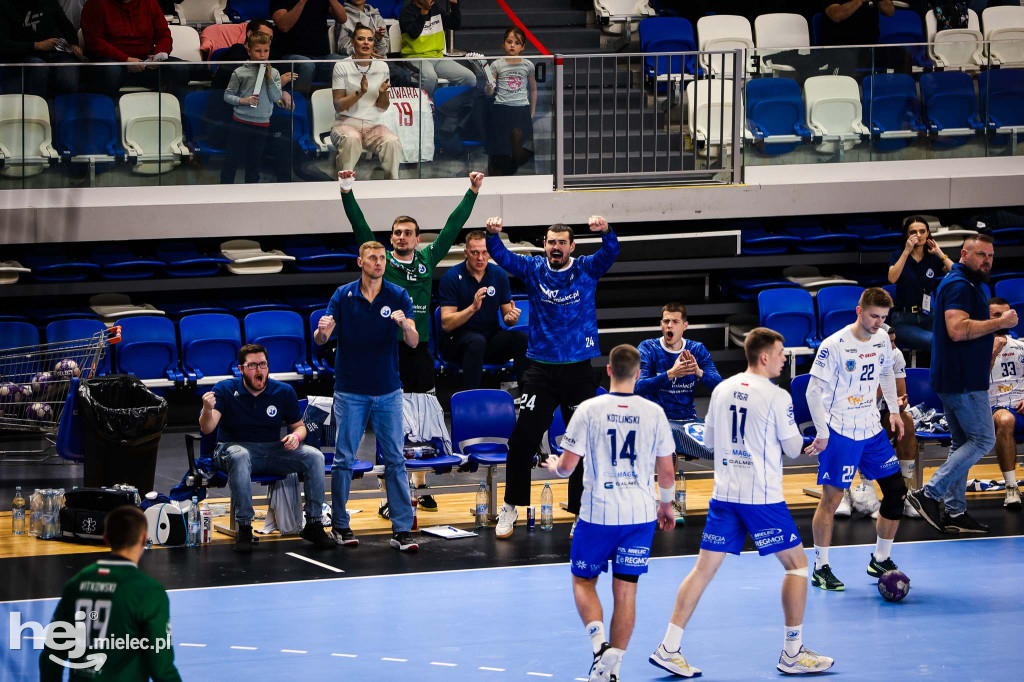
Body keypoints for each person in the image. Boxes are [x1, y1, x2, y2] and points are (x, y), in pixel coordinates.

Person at [649, 328, 834, 677]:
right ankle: (792, 653)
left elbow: (713, 443)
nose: (783, 358)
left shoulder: (720, 390)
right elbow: (794, 449)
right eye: (780, 353)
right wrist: (812, 442)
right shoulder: (777, 397)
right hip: (761, 497)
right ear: (764, 357)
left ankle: (669, 647)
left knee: (702, 570)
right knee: (796, 567)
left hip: (725, 495)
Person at [339, 169, 482, 512]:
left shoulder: (427, 259)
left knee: (423, 422)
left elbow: (452, 225)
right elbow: (359, 226)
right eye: (397, 233)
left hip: (420, 349)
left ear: (418, 239)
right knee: (391, 420)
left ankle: (419, 487)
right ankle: (390, 496)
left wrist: (473, 191)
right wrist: (346, 190)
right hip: (387, 351)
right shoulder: (382, 261)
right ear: (390, 239)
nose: (401, 237)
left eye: (408, 233)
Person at [540, 344, 677, 682]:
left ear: (610, 372)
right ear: (639, 373)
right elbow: (668, 473)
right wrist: (666, 505)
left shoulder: (589, 409)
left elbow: (568, 467)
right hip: (640, 514)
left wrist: (555, 465)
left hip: (598, 513)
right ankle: (611, 668)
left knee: (583, 581)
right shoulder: (654, 413)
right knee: (626, 591)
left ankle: (600, 646)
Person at [484, 214, 620, 539]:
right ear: (544, 245)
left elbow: (610, 253)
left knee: (582, 444)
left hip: (578, 368)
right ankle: (511, 506)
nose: (555, 247)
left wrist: (607, 232)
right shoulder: (533, 269)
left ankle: (581, 512)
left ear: (572, 246)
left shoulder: (586, 269)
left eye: (561, 242)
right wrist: (493, 235)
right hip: (540, 370)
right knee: (520, 442)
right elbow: (502, 257)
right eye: (550, 242)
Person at [315, 241, 421, 552]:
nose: (378, 262)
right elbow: (321, 337)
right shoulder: (343, 295)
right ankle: (340, 525)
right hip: (350, 390)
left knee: (395, 460)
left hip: (388, 390)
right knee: (344, 459)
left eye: (381, 258)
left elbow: (413, 341)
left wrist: (404, 324)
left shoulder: (398, 295)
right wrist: (323, 331)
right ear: (360, 262)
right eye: (372, 258)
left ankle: (402, 529)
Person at [908, 234, 1017, 533]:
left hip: (955, 376)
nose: (987, 261)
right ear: (965, 254)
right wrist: (1000, 322)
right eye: (981, 255)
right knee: (983, 440)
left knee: (962, 443)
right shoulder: (959, 285)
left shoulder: (963, 279)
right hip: (964, 380)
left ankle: (955, 512)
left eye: (991, 256)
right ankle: (928, 493)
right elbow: (957, 330)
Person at [804, 287, 907, 592]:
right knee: (832, 500)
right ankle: (821, 567)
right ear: (859, 311)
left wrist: (894, 411)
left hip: (871, 427)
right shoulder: (833, 345)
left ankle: (880, 558)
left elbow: (887, 374)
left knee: (896, 491)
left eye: (884, 317)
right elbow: (812, 391)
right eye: (874, 316)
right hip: (841, 430)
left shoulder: (881, 340)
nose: (878, 322)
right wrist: (823, 433)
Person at [201, 344, 333, 552]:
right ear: (241, 369)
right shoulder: (224, 389)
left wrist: (296, 437)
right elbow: (207, 428)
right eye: (252, 365)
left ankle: (314, 523)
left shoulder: (283, 391)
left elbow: (300, 427)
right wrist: (207, 410)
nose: (259, 370)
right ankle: (244, 527)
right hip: (233, 449)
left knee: (315, 457)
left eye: (263, 364)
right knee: (240, 455)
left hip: (272, 451)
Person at [39, 506, 182, 681]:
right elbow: (161, 667)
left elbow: (51, 656)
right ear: (144, 539)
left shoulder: (76, 584)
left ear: (106, 539)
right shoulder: (148, 591)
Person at [437, 229, 527, 389]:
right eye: (475, 253)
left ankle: (528, 396)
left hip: (489, 339)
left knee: (521, 339)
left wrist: (511, 318)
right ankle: (472, 400)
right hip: (456, 342)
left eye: (484, 252)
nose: (480, 258)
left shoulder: (498, 275)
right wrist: (472, 308)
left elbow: (508, 317)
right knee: (476, 342)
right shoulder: (452, 277)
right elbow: (446, 324)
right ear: (466, 253)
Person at [80, 0, 189, 100]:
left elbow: (164, 35)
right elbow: (94, 42)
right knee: (110, 71)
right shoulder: (95, 3)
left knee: (180, 67)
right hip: (112, 62)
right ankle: (110, 116)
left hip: (146, 63)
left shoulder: (150, 3)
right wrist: (125, 59)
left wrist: (157, 57)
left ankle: (175, 115)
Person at [330, 25, 401, 179]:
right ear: (352, 42)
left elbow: (382, 108)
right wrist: (360, 93)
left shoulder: (382, 66)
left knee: (392, 142)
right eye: (361, 39)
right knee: (351, 139)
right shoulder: (341, 66)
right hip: (345, 123)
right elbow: (338, 105)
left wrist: (382, 94)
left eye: (369, 39)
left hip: (373, 125)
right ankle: (344, 187)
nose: (366, 43)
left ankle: (393, 188)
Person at [220, 31, 283, 184]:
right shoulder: (240, 72)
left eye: (266, 51)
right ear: (249, 50)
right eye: (258, 51)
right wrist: (244, 101)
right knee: (231, 161)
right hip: (240, 123)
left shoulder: (274, 73)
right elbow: (227, 96)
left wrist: (269, 78)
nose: (262, 55)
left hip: (262, 125)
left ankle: (252, 197)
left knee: (254, 163)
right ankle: (223, 194)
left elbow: (276, 98)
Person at [886, 216, 954, 352]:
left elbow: (957, 273)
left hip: (928, 315)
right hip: (903, 318)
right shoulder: (898, 255)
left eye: (922, 231)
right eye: (913, 232)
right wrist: (906, 251)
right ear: (907, 235)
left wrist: (939, 252)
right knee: (934, 341)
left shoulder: (932, 257)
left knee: (952, 337)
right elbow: (892, 278)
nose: (918, 235)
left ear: (928, 234)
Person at [877, 322, 922, 518]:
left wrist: (899, 402)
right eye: (890, 343)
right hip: (856, 414)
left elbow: (902, 399)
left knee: (906, 420)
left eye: (895, 342)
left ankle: (906, 492)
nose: (894, 347)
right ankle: (864, 491)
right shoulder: (856, 355)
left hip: (883, 414)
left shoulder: (895, 355)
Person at [0, 0, 82, 98]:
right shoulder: (5, 5)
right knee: (38, 69)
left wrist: (74, 44)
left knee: (68, 78)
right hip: (28, 54)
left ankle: (66, 110)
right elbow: (3, 44)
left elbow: (66, 26)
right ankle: (38, 108)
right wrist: (37, 45)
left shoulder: (49, 2)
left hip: (60, 50)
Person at [483, 27, 537, 176]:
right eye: (509, 42)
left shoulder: (528, 65)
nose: (512, 45)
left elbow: (533, 89)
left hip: (521, 110)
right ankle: (496, 173)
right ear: (503, 44)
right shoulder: (496, 65)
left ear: (523, 47)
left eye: (517, 43)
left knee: (517, 143)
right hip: (501, 109)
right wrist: (488, 87)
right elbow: (490, 93)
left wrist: (531, 112)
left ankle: (514, 175)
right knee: (500, 148)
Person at [986, 297, 1023, 510]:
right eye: (996, 316)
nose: (1002, 320)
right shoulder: (974, 348)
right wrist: (993, 353)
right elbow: (974, 384)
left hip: (1020, 402)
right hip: (992, 407)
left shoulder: (1021, 346)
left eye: (1005, 315)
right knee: (1006, 419)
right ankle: (1011, 486)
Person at [399, 0, 476, 95]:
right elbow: (413, 33)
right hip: (415, 57)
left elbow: (455, 25)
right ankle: (426, 107)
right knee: (430, 78)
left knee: (469, 78)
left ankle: (450, 106)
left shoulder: (436, 8)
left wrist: (454, 5)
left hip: (438, 57)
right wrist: (424, 13)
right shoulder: (406, 11)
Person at [270, 0, 347, 90]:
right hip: (291, 57)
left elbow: (342, 19)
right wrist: (302, 2)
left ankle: (337, 102)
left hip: (322, 57)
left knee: (344, 62)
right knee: (306, 65)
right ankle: (300, 102)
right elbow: (283, 26)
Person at [336, 0, 415, 86]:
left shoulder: (376, 16)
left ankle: (392, 99)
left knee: (403, 75)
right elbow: (342, 47)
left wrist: (378, 40)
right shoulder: (342, 16)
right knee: (398, 75)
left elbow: (383, 51)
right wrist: (366, 53)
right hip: (356, 62)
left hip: (379, 62)